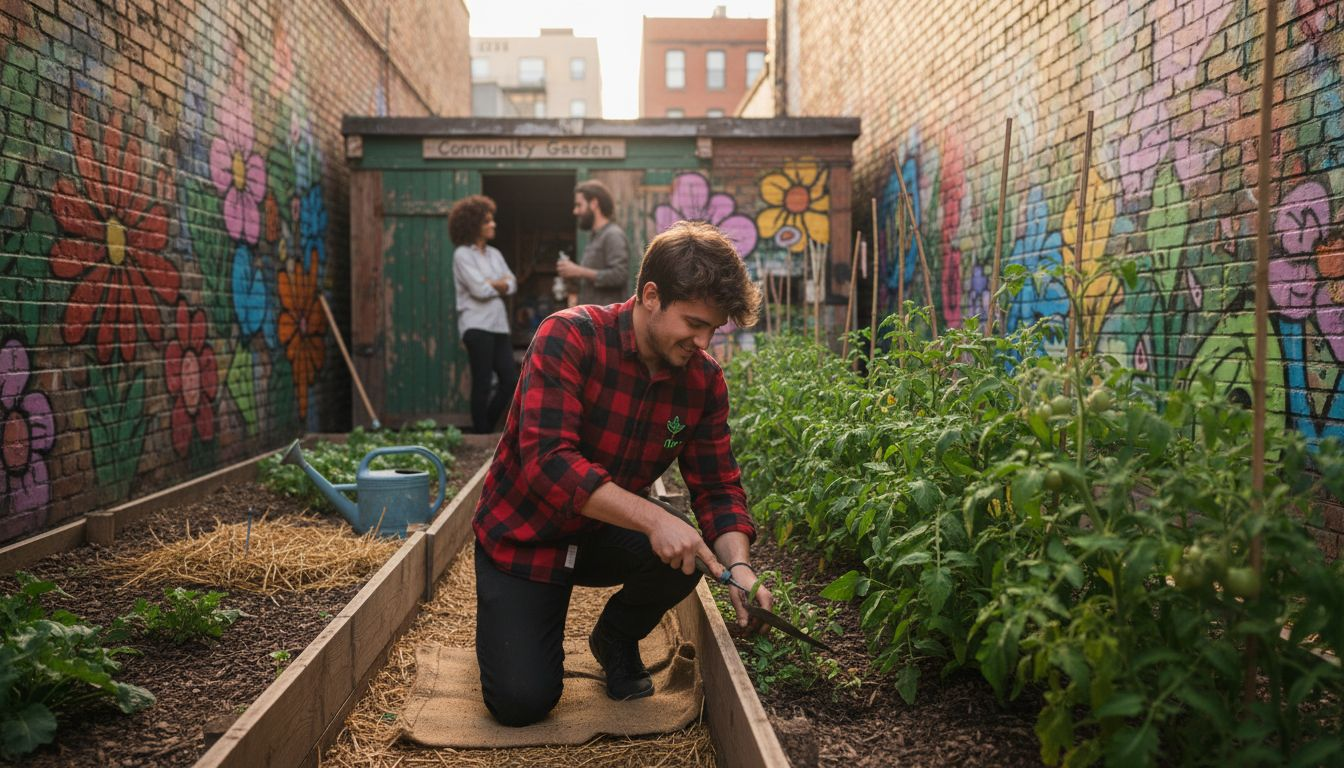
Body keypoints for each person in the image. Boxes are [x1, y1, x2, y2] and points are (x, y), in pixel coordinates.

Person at [473, 220, 772, 727]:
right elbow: (549, 462)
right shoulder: (569, 336)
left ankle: (615, 636)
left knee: (686, 557)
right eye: (694, 323)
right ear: (651, 296)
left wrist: (739, 567)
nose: (703, 341)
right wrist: (655, 520)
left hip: (601, 529)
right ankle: (514, 621)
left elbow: (718, 486)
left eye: (713, 329)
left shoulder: (702, 381)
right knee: (522, 702)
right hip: (526, 535)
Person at [449, 194, 518, 435]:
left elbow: (513, 284)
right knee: (482, 382)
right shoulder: (462, 255)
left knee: (510, 380)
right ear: (473, 224)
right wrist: (499, 283)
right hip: (476, 325)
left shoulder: (495, 254)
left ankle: (484, 429)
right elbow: (479, 290)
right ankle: (482, 434)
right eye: (487, 221)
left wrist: (492, 283)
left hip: (498, 325)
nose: (493, 224)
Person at [558, 179, 631, 306]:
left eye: (579, 205)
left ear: (594, 204)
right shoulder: (594, 237)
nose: (575, 211)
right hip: (593, 316)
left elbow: (619, 275)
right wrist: (572, 275)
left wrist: (579, 271)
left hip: (608, 317)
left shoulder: (613, 235)